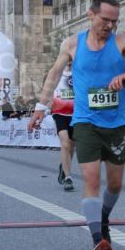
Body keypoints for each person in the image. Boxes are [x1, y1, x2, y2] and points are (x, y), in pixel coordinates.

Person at [29, 0, 125, 250]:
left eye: (114, 21)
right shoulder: (72, 44)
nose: (109, 25)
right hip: (85, 121)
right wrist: (41, 105)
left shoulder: (121, 42)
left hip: (116, 123)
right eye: (104, 20)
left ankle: (103, 219)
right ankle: (99, 238)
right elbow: (53, 74)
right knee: (91, 181)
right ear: (91, 15)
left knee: (115, 184)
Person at [51, 60, 76, 192]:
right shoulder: (56, 72)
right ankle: (68, 177)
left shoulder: (79, 72)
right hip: (59, 112)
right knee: (65, 144)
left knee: (72, 145)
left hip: (76, 113)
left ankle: (64, 167)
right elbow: (48, 92)